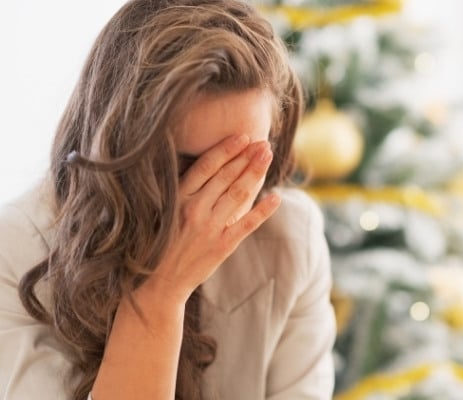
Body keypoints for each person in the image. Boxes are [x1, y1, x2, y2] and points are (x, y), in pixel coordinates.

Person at [0, 0, 336, 399]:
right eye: (188, 166)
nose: (220, 196)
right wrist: (162, 291)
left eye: (244, 163)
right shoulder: (15, 247)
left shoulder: (290, 235)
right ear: (116, 145)